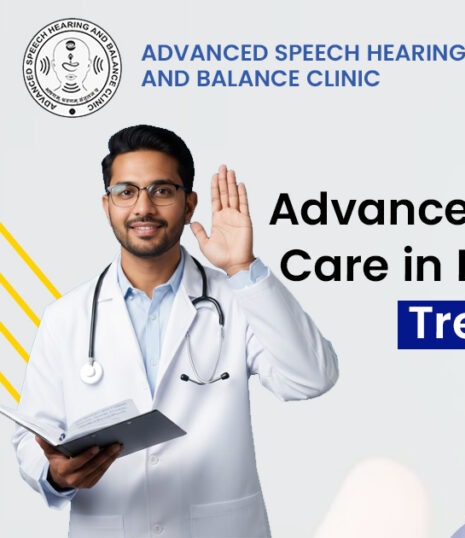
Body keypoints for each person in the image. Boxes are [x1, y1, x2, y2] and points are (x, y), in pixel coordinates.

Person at [11, 124, 340, 538]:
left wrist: (242, 269)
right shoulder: (65, 318)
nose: (142, 208)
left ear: (189, 206)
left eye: (162, 191)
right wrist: (56, 474)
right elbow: (31, 438)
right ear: (107, 205)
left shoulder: (237, 300)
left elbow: (312, 377)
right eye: (125, 192)